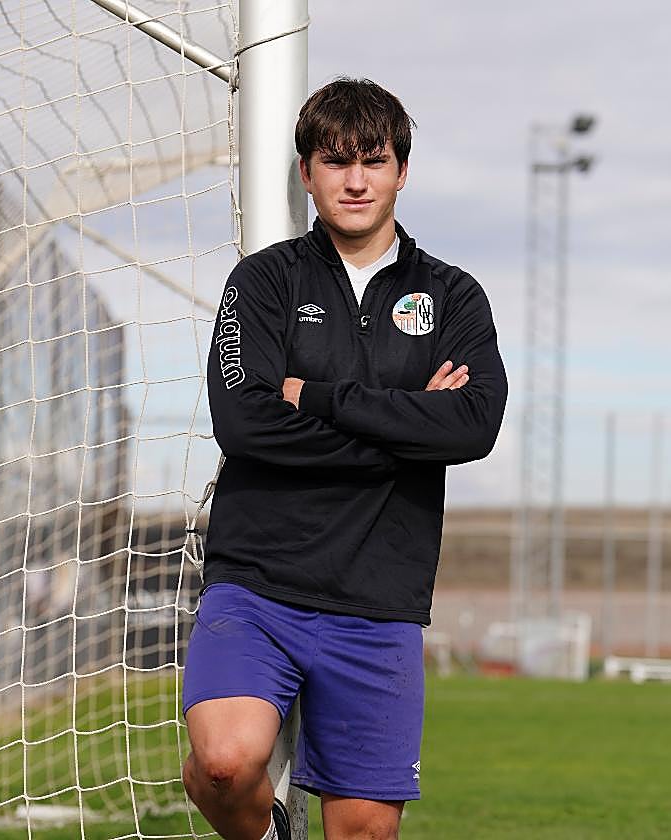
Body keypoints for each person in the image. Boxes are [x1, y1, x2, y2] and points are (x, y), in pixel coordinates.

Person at [181, 77, 507, 840]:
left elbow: (472, 427)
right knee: (226, 764)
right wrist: (406, 433)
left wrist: (321, 397)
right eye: (335, 161)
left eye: (374, 160)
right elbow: (246, 423)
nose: (355, 180)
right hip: (258, 585)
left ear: (401, 170)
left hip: (377, 600)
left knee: (364, 831)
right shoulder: (263, 283)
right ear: (306, 173)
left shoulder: (454, 297)